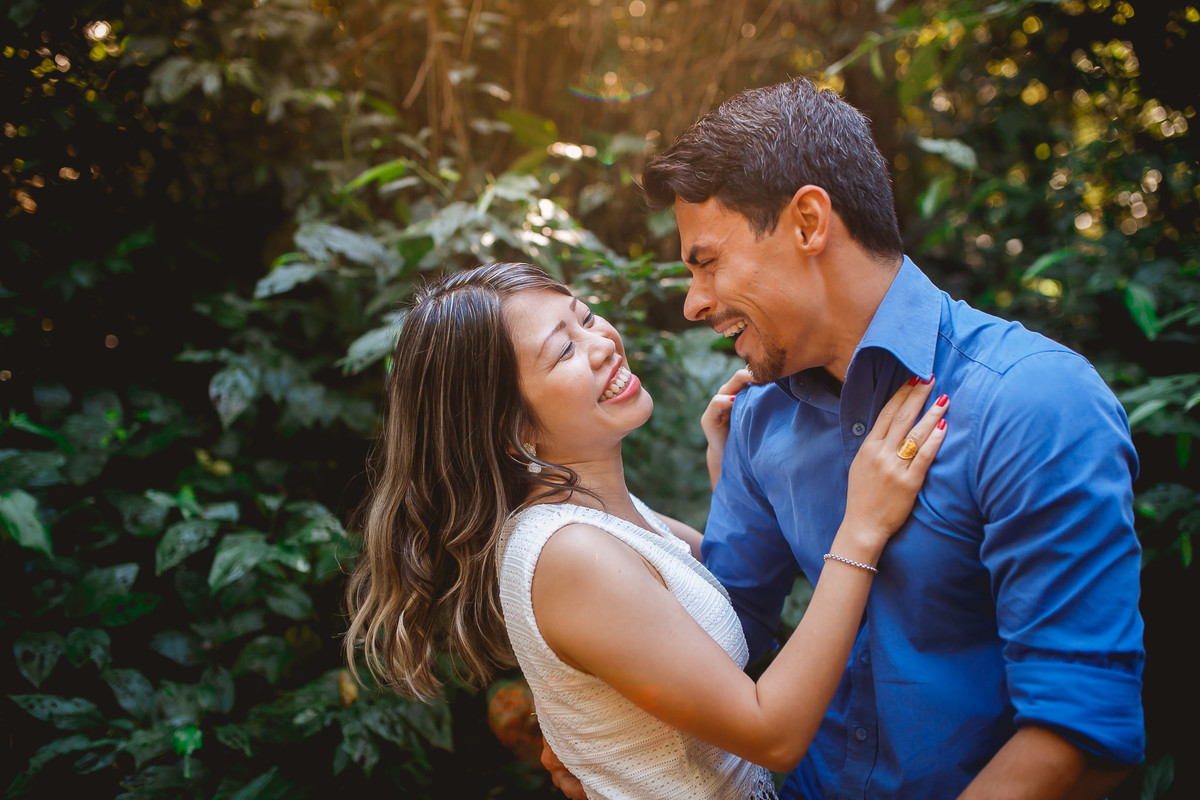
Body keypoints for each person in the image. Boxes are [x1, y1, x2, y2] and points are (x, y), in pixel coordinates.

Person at [618, 77, 1143, 799]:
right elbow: (722, 636)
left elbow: (1082, 736)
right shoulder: (760, 418)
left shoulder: (1033, 403)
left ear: (808, 222)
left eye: (706, 261)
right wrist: (605, 737)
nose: (694, 302)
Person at [342, 262, 950, 799]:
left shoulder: (610, 514)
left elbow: (710, 609)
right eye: (563, 350)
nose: (602, 343)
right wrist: (861, 527)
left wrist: (734, 473)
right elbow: (772, 734)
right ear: (511, 429)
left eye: (585, 317)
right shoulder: (568, 554)